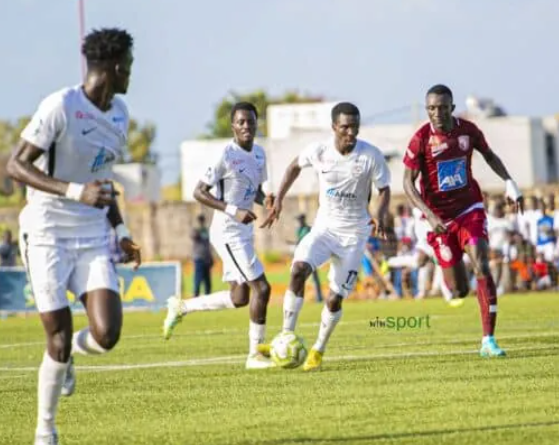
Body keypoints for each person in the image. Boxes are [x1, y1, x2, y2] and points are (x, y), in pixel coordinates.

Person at [6, 27, 141, 445]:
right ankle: (45, 433)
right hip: (45, 232)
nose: (132, 75)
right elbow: (15, 165)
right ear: (116, 66)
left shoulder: (120, 114)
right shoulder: (60, 105)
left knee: (107, 334)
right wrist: (72, 191)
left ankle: (67, 359)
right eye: (131, 66)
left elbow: (103, 182)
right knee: (57, 339)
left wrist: (121, 232)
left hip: (91, 234)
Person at [260, 101, 392, 372]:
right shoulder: (319, 151)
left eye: (355, 127)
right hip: (324, 229)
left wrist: (380, 214)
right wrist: (279, 200)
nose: (351, 133)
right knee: (297, 270)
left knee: (334, 298)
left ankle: (318, 350)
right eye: (345, 127)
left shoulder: (370, 156)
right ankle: (286, 335)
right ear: (334, 127)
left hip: (354, 235)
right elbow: (294, 167)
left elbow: (385, 188)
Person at [402, 84, 523, 358]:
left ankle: (488, 341)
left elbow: (489, 155)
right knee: (459, 291)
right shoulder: (420, 139)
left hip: (469, 208)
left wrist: (509, 182)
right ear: (427, 110)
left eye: (442, 107)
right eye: (432, 108)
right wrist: (430, 217)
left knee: (482, 261)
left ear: (452, 108)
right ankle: (447, 275)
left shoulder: (468, 131)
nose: (437, 113)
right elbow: (407, 184)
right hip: (439, 219)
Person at [162, 102, 275, 370]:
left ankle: (182, 307)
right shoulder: (225, 155)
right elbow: (199, 192)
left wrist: (267, 201)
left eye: (250, 121)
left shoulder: (259, 154)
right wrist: (233, 210)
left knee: (240, 297)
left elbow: (253, 190)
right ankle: (255, 355)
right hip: (226, 230)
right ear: (233, 126)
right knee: (263, 288)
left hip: (243, 231)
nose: (246, 126)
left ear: (257, 123)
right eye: (241, 122)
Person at [191, 214, 213, 296]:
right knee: (198, 278)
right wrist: (199, 230)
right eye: (200, 220)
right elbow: (194, 236)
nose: (201, 222)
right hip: (198, 258)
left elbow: (208, 245)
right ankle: (196, 295)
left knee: (207, 279)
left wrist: (210, 257)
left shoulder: (206, 231)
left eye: (202, 220)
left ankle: (208, 295)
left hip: (207, 258)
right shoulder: (196, 230)